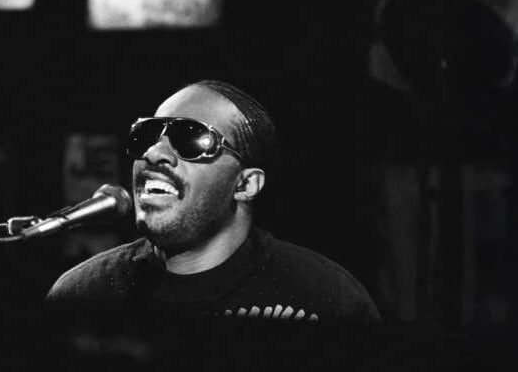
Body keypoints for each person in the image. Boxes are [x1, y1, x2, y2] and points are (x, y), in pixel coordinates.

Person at [47, 80, 381, 323]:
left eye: (190, 139)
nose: (154, 153)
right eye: (146, 135)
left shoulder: (326, 296)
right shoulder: (84, 294)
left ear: (246, 184)